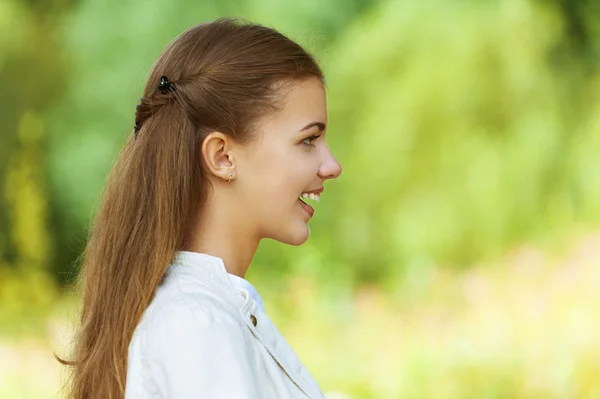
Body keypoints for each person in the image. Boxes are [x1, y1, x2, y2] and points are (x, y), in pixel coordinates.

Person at [58, 18, 343, 398]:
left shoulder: (206, 313)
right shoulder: (198, 323)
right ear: (222, 156)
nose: (332, 165)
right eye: (309, 140)